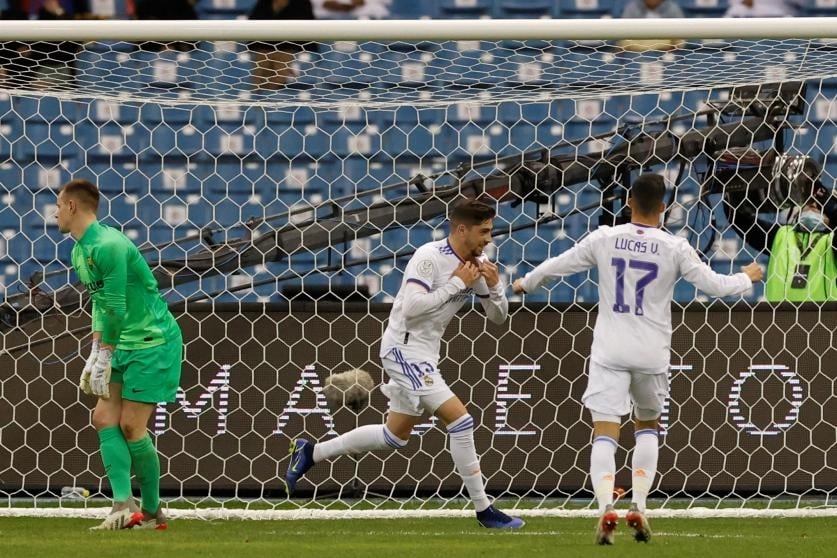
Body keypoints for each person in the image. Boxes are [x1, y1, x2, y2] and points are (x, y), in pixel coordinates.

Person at [512, 173, 763, 544]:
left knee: (604, 432)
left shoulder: (604, 238)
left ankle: (604, 511)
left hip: (610, 350)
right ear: (664, 208)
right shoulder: (675, 247)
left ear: (628, 202)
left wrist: (525, 283)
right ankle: (640, 507)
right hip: (651, 353)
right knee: (648, 427)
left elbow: (557, 265)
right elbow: (714, 286)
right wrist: (745, 277)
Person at [283, 198, 524, 529]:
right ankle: (484, 510)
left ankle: (311, 452)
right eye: (484, 231)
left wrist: (495, 288)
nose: (488, 239)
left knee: (394, 436)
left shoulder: (476, 264)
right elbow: (411, 307)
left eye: (490, 231)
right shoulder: (429, 257)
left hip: (425, 354)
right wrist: (457, 284)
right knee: (461, 421)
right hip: (403, 349)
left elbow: (498, 318)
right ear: (462, 228)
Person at [55, 179, 183, 531]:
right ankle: (123, 505)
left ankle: (153, 510)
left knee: (131, 425)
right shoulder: (79, 251)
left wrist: (103, 351)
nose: (53, 213)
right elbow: (100, 305)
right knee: (103, 418)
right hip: (120, 342)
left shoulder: (109, 244)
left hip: (152, 341)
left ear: (71, 207)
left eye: (57, 205)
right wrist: (97, 351)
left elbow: (115, 305)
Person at [724, 156, 837, 302]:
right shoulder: (781, 236)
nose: (813, 205)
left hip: (824, 321)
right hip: (778, 321)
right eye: (808, 202)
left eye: (819, 206)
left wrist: (820, 194)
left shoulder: (831, 243)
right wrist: (737, 180)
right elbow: (736, 217)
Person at [248, 0, 316, 89]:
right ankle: (259, 93)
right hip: (264, 47)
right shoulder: (264, 3)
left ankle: (275, 90)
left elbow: (306, 30)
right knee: (262, 59)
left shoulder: (302, 3)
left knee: (281, 57)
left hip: (290, 47)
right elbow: (254, 25)